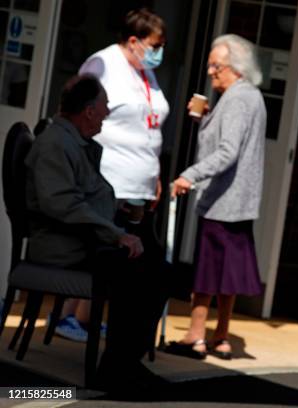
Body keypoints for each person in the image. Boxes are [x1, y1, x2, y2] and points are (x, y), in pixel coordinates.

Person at [25, 75, 168, 391]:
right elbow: (62, 203)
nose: (106, 112)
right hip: (63, 246)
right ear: (88, 111)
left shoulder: (74, 141)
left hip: (81, 240)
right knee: (143, 270)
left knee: (154, 262)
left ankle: (123, 363)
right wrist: (116, 234)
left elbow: (82, 196)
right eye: (104, 106)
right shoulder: (56, 144)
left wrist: (117, 209)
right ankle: (118, 370)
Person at [53, 8, 170, 341]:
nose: (159, 52)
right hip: (109, 175)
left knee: (122, 252)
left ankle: (85, 317)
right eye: (154, 45)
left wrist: (155, 173)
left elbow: (149, 122)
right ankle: (73, 317)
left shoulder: (144, 71)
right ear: (133, 41)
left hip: (139, 181)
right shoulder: (102, 64)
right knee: (101, 246)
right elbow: (77, 113)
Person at [168, 34, 266, 360]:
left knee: (207, 275)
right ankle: (220, 336)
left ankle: (195, 336)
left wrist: (189, 175)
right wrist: (207, 118)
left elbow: (227, 151)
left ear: (236, 68)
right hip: (239, 202)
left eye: (216, 65)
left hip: (223, 200)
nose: (211, 71)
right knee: (227, 276)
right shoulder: (249, 96)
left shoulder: (237, 99)